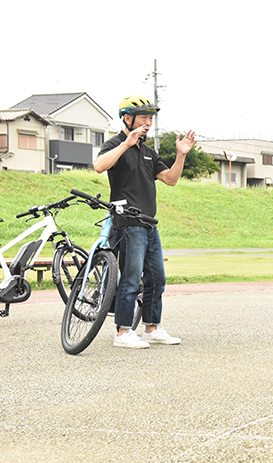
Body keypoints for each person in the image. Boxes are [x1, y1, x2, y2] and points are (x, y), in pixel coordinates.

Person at [94, 95, 196, 349]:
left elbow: (170, 179)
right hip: (128, 222)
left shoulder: (149, 153)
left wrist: (181, 155)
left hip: (150, 223)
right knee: (130, 278)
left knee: (156, 279)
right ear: (127, 118)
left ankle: (152, 328)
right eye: (143, 118)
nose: (148, 123)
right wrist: (126, 144)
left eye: (151, 118)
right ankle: (123, 332)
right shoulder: (114, 144)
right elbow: (99, 166)